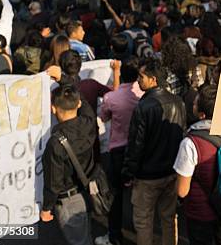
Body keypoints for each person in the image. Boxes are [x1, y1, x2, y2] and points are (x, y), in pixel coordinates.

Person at [122, 59, 186, 245]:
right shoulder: (178, 102)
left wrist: (128, 172)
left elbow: (136, 145)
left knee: (143, 221)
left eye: (141, 77)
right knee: (168, 218)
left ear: (153, 80)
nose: (138, 80)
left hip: (147, 176)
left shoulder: (144, 107)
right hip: (171, 172)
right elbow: (181, 135)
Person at [174, 85, 221, 245]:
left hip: (200, 212)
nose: (192, 105)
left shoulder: (190, 143)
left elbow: (182, 190)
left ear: (201, 114)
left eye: (195, 103)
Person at [95, 57, 144, 245]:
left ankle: (114, 236)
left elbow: (104, 116)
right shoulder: (144, 95)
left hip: (118, 151)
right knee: (141, 191)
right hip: (140, 150)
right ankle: (142, 230)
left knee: (115, 194)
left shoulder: (111, 98)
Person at [41, 85, 95, 245]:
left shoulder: (55, 143)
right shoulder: (89, 122)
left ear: (52, 109)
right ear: (77, 104)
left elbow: (54, 182)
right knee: (86, 235)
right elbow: (84, 102)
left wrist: (46, 208)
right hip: (88, 190)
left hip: (69, 201)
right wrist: (62, 79)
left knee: (78, 240)